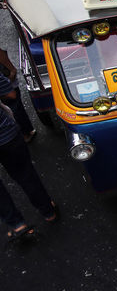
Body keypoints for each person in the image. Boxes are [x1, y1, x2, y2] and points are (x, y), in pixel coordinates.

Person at [0, 74, 58, 241]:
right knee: (25, 174)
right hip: (7, 135)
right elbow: (11, 95)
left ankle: (18, 225)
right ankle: (48, 211)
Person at [0, 47, 36, 143]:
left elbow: (11, 71)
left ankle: (25, 133)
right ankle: (28, 130)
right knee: (17, 108)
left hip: (7, 86)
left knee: (15, 109)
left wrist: (10, 75)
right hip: (8, 84)